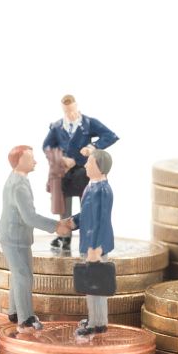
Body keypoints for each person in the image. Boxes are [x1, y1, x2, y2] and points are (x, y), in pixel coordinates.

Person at [0, 145, 65, 332]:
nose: (35, 161)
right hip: (14, 237)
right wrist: (56, 226)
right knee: (24, 277)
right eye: (30, 158)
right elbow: (30, 217)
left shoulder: (19, 179)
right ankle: (25, 318)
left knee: (20, 275)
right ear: (19, 161)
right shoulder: (18, 184)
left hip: (15, 235)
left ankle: (14, 311)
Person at [43, 94, 118, 250]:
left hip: (84, 171)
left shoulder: (88, 123)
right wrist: (61, 158)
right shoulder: (57, 126)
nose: (70, 115)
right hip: (64, 173)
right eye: (66, 112)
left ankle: (88, 233)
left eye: (72, 111)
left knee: (87, 204)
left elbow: (110, 135)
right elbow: (47, 146)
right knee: (63, 206)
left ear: (77, 107)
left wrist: (93, 147)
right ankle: (64, 236)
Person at [58, 149, 114, 336]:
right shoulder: (91, 186)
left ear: (100, 167)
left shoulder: (103, 190)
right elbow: (88, 214)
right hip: (87, 243)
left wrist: (96, 247)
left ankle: (97, 324)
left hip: (94, 247)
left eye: (90, 163)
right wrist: (73, 222)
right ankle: (95, 319)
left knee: (96, 287)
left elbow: (102, 220)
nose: (86, 165)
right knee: (92, 287)